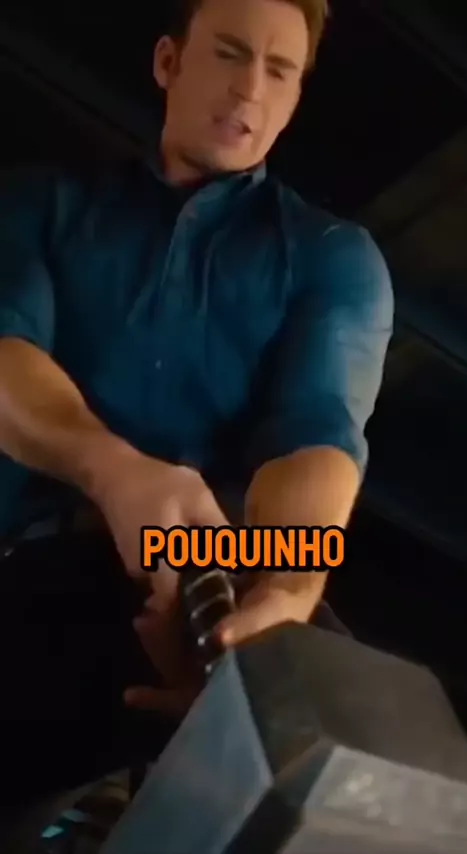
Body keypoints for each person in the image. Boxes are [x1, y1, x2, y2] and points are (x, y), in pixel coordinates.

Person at [0, 0, 393, 823]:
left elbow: (317, 431)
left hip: (211, 573)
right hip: (29, 564)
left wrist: (287, 584)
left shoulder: (332, 257)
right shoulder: (38, 205)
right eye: (229, 53)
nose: (250, 89)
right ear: (167, 62)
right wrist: (113, 472)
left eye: (279, 72)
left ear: (294, 99)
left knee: (360, 784)